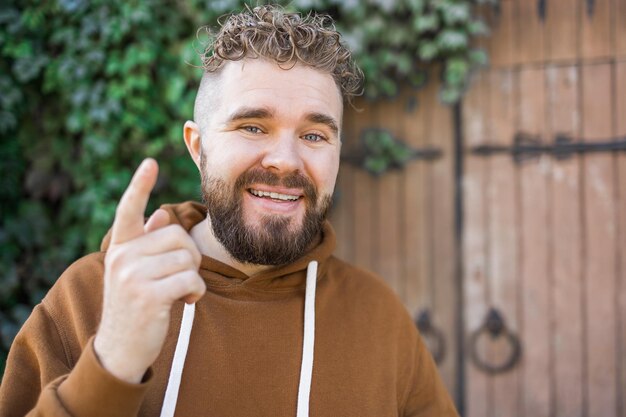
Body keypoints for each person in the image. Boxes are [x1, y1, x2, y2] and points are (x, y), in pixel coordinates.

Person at [0, 5, 458, 417]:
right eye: (253, 126)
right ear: (198, 147)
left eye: (315, 135)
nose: (285, 159)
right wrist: (113, 362)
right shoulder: (88, 298)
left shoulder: (379, 317)